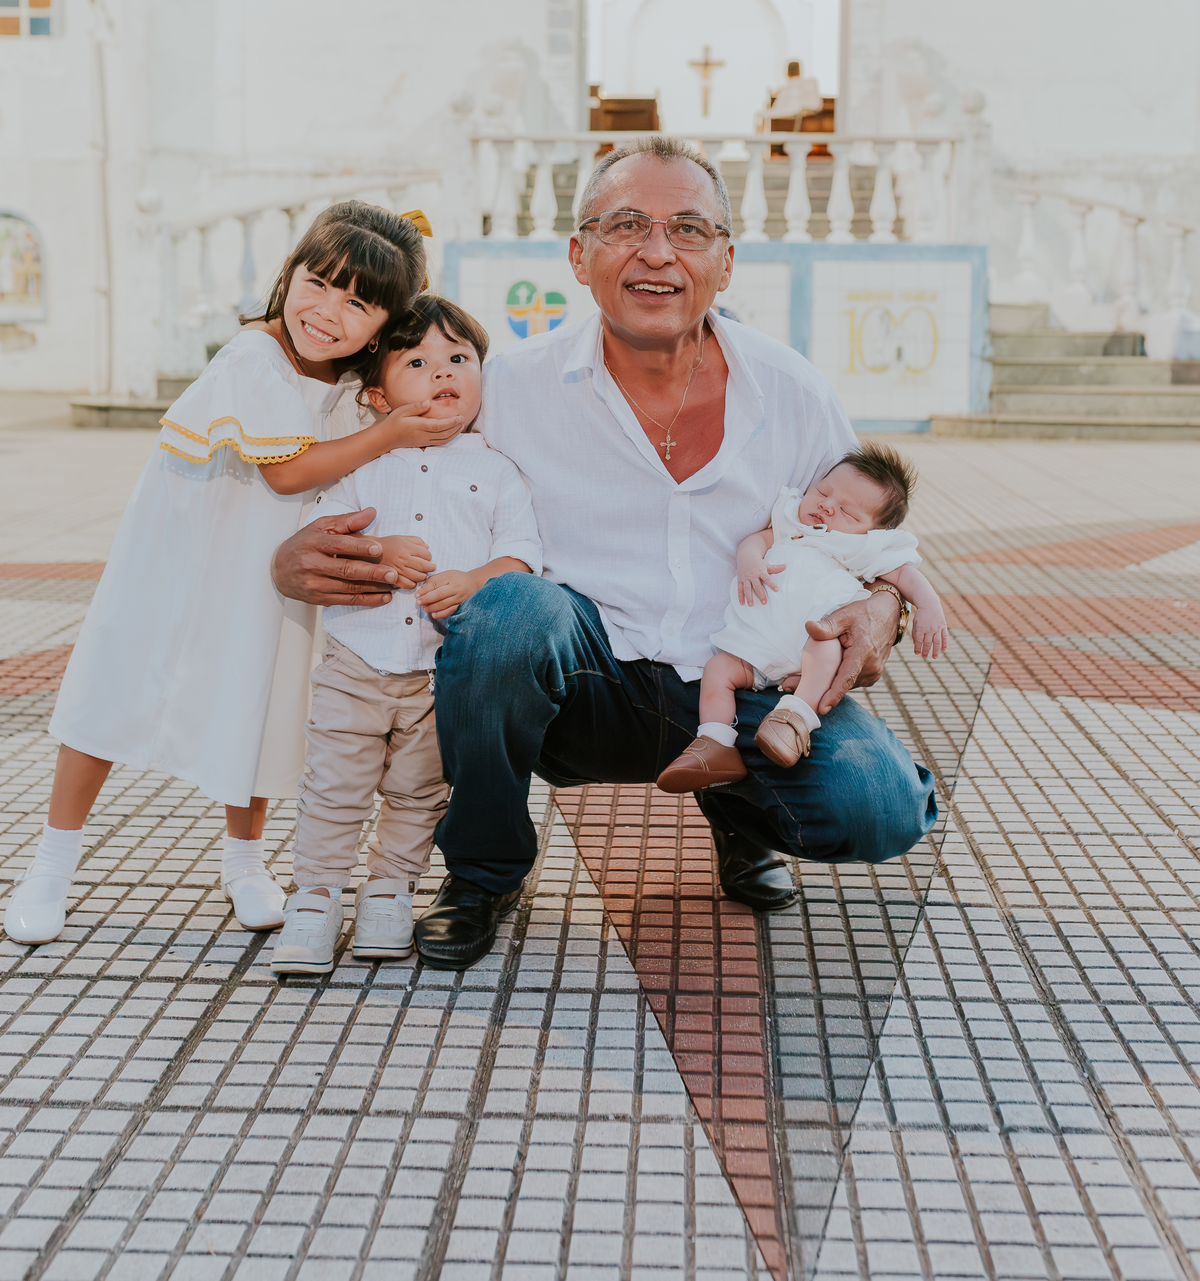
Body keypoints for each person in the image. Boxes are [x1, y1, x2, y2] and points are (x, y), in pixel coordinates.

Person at [270, 138, 939, 972]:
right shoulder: (509, 387)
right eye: (627, 225)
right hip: (581, 679)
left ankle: (740, 809)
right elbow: (391, 454)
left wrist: (888, 605)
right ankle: (482, 874)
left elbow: (869, 536)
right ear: (580, 257)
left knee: (877, 808)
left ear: (726, 263)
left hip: (742, 678)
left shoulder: (792, 389)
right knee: (507, 612)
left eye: (688, 230)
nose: (657, 252)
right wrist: (288, 552)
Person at [4, 203, 447, 948]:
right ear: (289, 274)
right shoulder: (254, 356)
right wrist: (391, 432)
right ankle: (51, 861)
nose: (327, 312)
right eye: (318, 283)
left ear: (383, 323)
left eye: (358, 303)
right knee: (116, 685)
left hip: (267, 567)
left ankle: (244, 862)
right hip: (183, 553)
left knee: (265, 696)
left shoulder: (348, 382)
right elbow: (288, 474)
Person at [270, 295, 540, 976]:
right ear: (376, 394)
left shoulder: (498, 471)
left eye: (459, 358)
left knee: (421, 792)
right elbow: (324, 539)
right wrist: (380, 551)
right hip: (355, 661)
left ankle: (390, 892)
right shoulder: (363, 464)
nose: (441, 371)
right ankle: (317, 896)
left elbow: (521, 557)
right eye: (417, 361)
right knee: (334, 785)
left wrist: (476, 580)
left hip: (440, 671)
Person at [656, 445, 948, 791]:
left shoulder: (862, 548)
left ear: (872, 532)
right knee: (718, 671)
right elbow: (756, 540)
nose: (826, 505)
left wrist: (928, 607)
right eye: (823, 492)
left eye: (847, 513)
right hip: (753, 644)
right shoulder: (790, 523)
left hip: (808, 642)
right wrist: (750, 560)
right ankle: (715, 742)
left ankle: (794, 717)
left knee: (824, 645)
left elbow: (904, 576)